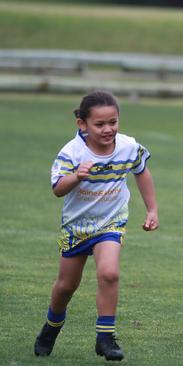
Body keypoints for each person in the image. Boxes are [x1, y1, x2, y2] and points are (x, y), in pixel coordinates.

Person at [34, 91, 159, 361]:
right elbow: (57, 188)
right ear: (82, 124)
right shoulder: (72, 152)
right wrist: (77, 176)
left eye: (113, 122)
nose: (108, 129)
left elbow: (142, 172)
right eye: (100, 124)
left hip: (110, 223)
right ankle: (51, 327)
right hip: (77, 227)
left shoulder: (128, 147)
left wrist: (152, 209)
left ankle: (105, 337)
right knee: (66, 287)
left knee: (110, 273)